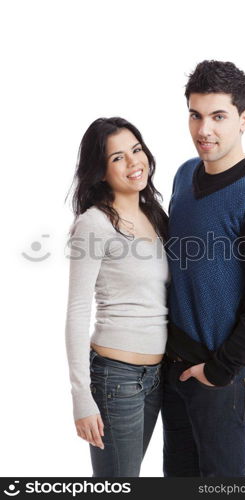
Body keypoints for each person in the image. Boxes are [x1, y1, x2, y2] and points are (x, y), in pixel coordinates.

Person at [162, 60, 245, 477]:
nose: (204, 130)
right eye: (195, 115)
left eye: (218, 116)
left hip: (223, 376)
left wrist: (218, 370)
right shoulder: (183, 175)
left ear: (244, 119)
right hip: (174, 369)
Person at [64, 117, 169, 477]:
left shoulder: (154, 214)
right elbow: (77, 310)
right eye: (117, 158)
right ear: (100, 171)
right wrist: (81, 396)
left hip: (157, 375)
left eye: (136, 150)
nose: (133, 162)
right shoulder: (94, 223)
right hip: (116, 378)